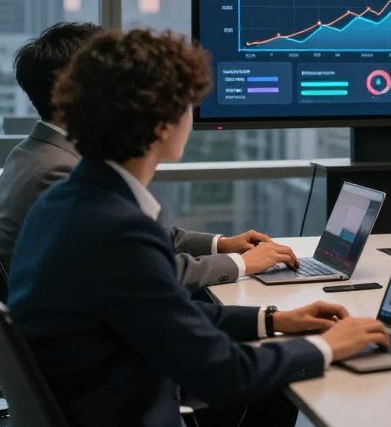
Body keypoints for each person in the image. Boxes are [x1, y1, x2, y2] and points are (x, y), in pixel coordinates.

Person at [7, 29, 389, 427]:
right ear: (162, 124)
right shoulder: (115, 228)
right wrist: (325, 348)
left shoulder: (69, 199)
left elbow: (163, 314)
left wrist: (274, 321)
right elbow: (223, 373)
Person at [0, 22, 298, 292]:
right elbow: (138, 265)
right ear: (83, 90)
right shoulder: (58, 172)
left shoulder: (35, 153)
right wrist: (242, 264)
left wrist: (220, 245)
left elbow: (134, 236)